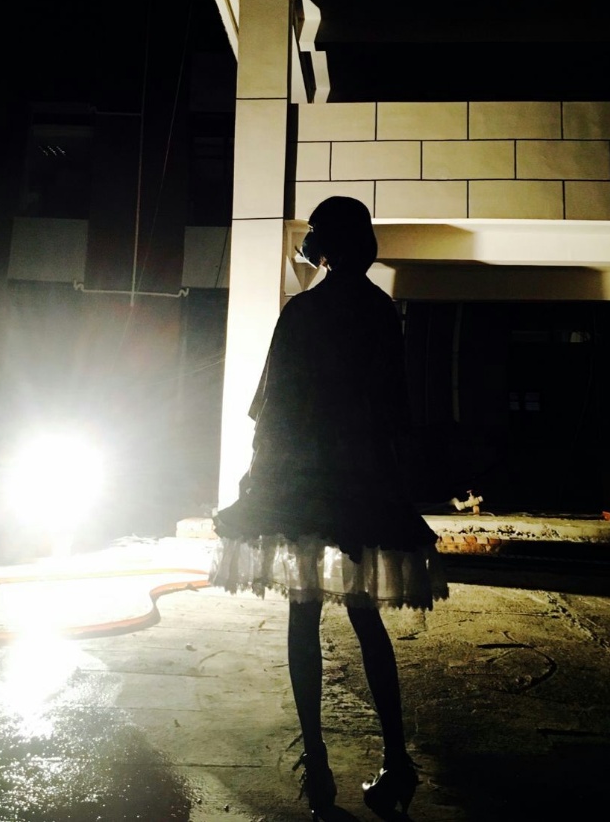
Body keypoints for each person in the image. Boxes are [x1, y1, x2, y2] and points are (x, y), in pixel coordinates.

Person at [210, 196, 448, 819]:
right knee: (365, 618)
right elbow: (395, 414)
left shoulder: (304, 311)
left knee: (304, 614)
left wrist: (256, 481)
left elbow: (274, 411)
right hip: (361, 480)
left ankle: (316, 769)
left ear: (322, 246)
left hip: (305, 482)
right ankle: (396, 762)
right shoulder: (379, 310)